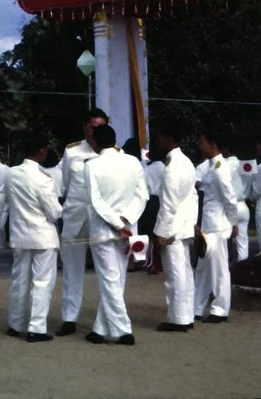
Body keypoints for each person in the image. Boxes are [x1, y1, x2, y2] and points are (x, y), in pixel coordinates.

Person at [83, 125, 148, 345]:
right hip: (128, 229)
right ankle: (99, 329)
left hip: (104, 230)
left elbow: (96, 200)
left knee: (111, 280)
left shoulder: (91, 165)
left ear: (94, 143)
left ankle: (123, 330)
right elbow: (142, 196)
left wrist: (115, 222)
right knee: (116, 280)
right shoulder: (133, 161)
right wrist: (126, 220)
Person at [55, 108, 108, 338]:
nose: (97, 131)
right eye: (93, 126)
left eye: (102, 127)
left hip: (101, 220)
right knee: (71, 271)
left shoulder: (114, 153)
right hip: (75, 217)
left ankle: (103, 321)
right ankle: (69, 318)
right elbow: (66, 182)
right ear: (85, 127)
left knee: (106, 273)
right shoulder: (72, 152)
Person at [5, 133, 62, 343]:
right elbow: (54, 213)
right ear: (41, 151)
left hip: (20, 235)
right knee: (42, 282)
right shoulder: (43, 178)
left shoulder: (11, 174)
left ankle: (15, 323)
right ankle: (36, 328)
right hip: (43, 237)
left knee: (19, 280)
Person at [152, 123, 199, 333]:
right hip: (184, 226)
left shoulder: (172, 167)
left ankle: (178, 319)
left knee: (175, 274)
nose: (156, 142)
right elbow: (193, 197)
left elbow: (168, 205)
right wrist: (193, 223)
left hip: (172, 229)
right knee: (185, 272)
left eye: (158, 137)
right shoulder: (187, 162)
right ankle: (186, 315)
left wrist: (160, 232)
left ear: (167, 137)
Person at [193, 129, 239, 323]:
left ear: (213, 144)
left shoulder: (220, 168)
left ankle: (220, 310)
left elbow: (230, 199)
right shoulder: (210, 166)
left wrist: (231, 223)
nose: (200, 146)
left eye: (203, 142)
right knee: (203, 268)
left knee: (219, 269)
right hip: (208, 223)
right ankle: (196, 306)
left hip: (218, 224)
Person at [220, 138, 250, 261]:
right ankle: (243, 266)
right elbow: (249, 183)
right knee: (243, 241)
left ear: (226, 149)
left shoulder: (222, 164)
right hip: (243, 204)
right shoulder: (243, 165)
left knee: (224, 238)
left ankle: (227, 265)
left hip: (229, 205)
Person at [140, 149, 166, 274]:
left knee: (150, 233)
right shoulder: (161, 166)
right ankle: (154, 261)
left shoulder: (146, 167)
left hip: (150, 199)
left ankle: (151, 261)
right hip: (155, 199)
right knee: (152, 232)